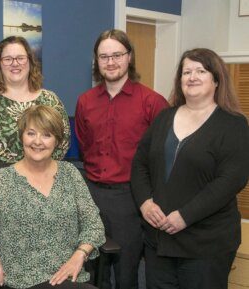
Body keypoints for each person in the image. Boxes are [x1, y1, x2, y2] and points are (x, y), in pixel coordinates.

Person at [131, 48, 249, 289]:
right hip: (160, 241)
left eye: (200, 71)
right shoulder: (164, 117)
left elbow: (230, 181)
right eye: (186, 72)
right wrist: (145, 202)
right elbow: (140, 164)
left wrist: (185, 216)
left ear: (216, 80)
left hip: (206, 245)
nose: (192, 77)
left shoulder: (233, 124)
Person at [0, 105, 105, 289]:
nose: (38, 142)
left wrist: (80, 255)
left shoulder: (70, 174)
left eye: (47, 135)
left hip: (68, 278)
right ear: (21, 137)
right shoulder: (3, 180)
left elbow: (94, 225)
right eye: (31, 133)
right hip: (22, 282)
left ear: (56, 141)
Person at [74, 29, 169, 289]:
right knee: (90, 268)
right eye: (104, 56)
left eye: (117, 55)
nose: (111, 62)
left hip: (131, 199)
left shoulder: (153, 102)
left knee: (126, 271)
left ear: (129, 57)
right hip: (90, 194)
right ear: (97, 61)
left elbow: (161, 158)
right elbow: (85, 146)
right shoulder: (85, 102)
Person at [0, 36, 70, 197]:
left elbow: (62, 142)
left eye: (20, 58)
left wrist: (34, 170)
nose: (15, 63)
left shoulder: (50, 100)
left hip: (42, 184)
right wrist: (21, 171)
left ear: (30, 61)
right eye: (8, 59)